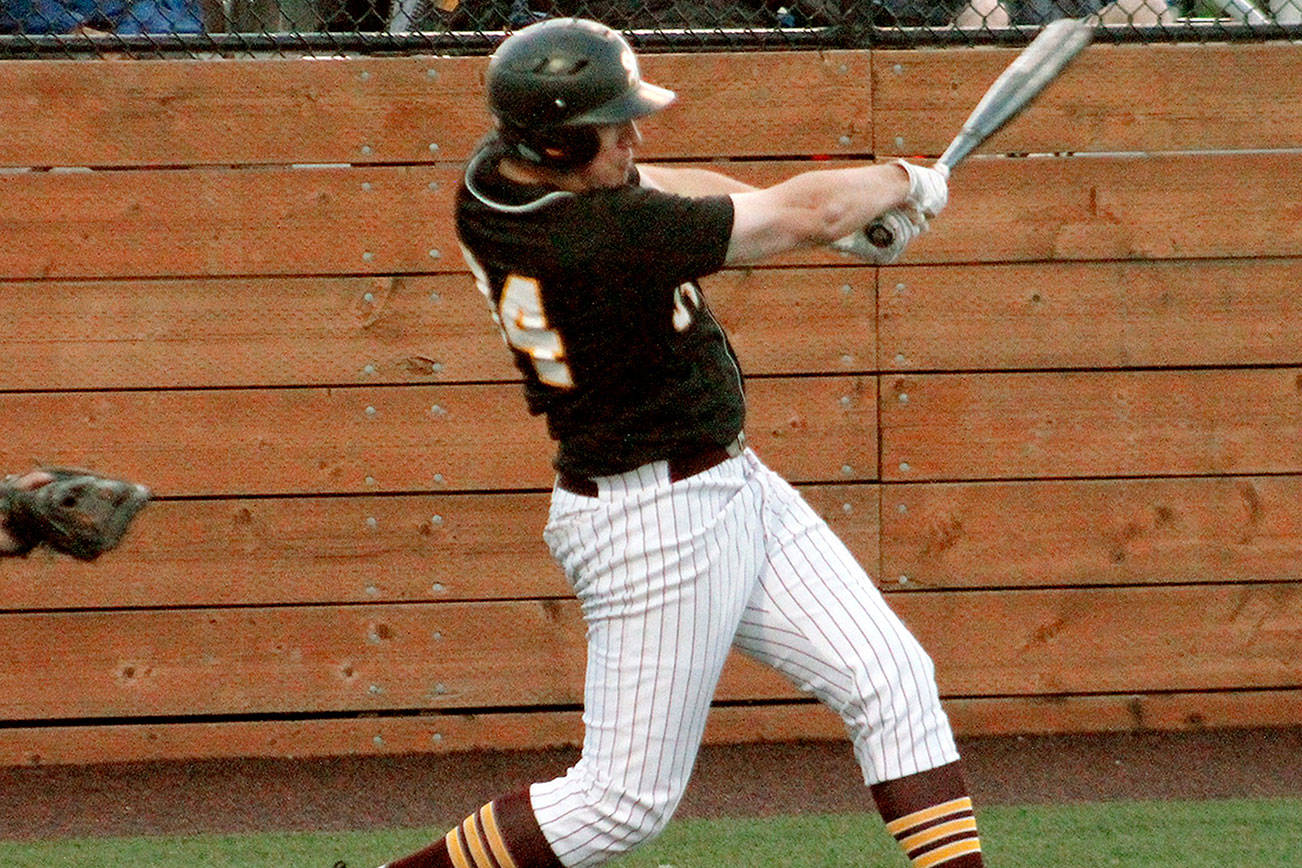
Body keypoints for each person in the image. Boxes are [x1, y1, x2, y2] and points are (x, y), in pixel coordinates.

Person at [373, 16, 981, 868]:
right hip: (655, 520)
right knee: (618, 805)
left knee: (892, 680)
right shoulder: (589, 241)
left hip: (731, 485)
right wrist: (900, 180)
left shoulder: (496, 180)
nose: (631, 135)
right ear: (554, 147)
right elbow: (790, 215)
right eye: (609, 125)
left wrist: (839, 222)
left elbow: (665, 185)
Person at [1, 0, 203, 34]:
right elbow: (15, 8)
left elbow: (176, 13)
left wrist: (125, 38)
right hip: (59, 44)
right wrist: (74, 28)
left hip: (141, 45)